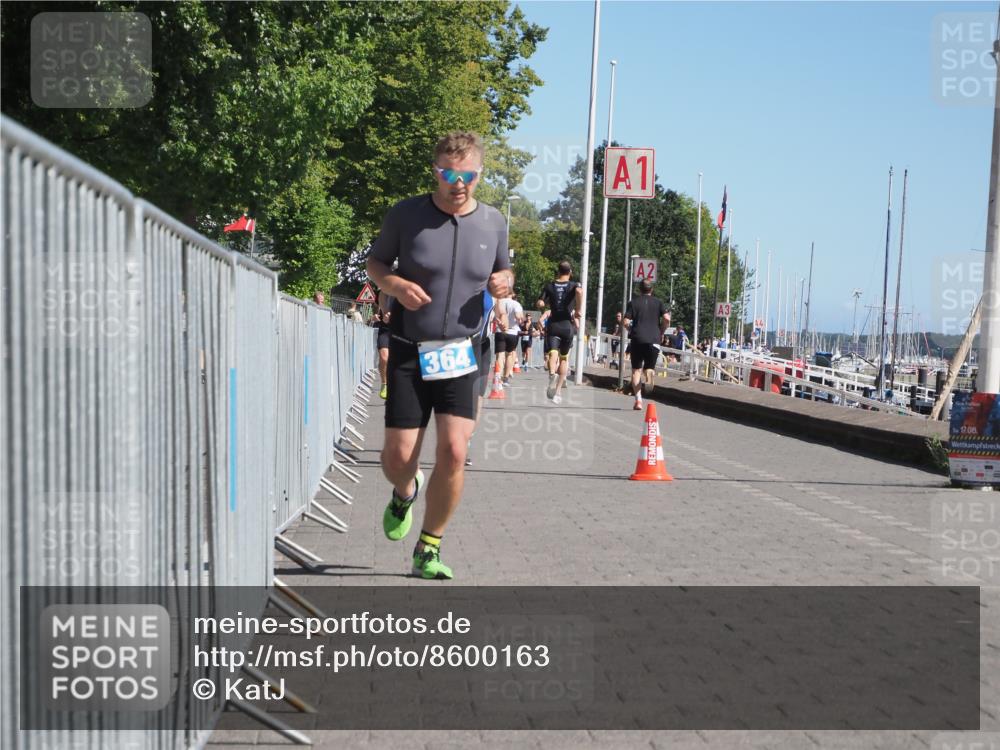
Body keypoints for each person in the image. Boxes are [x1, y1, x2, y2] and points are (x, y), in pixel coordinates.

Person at [365, 131, 512, 580]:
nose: (458, 182)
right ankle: (405, 490)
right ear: (436, 171)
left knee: (453, 449)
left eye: (467, 174)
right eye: (449, 173)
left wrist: (504, 282)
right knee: (397, 457)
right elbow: (375, 265)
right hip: (410, 350)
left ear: (479, 174)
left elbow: (503, 268)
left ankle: (428, 547)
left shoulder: (492, 222)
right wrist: (393, 285)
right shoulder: (406, 215)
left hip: (463, 354)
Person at [537, 260, 582, 405]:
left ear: (558, 271)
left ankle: (551, 374)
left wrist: (541, 304)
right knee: (564, 358)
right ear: (570, 272)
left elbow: (540, 302)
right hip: (567, 326)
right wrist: (579, 309)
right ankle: (557, 393)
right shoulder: (574, 285)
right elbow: (579, 292)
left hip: (554, 325)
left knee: (553, 353)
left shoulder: (549, 286)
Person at [623, 279, 670, 410]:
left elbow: (625, 321)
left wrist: (631, 330)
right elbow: (667, 318)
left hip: (637, 339)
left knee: (636, 370)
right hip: (654, 339)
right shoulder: (659, 302)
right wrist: (661, 331)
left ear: (640, 289)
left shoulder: (633, 303)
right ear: (652, 289)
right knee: (649, 367)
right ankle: (649, 373)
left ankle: (638, 400)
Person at [495, 294, 523, 385]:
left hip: (500, 331)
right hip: (512, 332)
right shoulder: (516, 304)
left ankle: (498, 377)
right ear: (512, 294)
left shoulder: (499, 302)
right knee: (509, 354)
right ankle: (505, 378)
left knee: (500, 355)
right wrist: (519, 320)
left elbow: (494, 316)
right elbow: (519, 317)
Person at [373, 292, 393, 399]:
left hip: (404, 327)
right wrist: (384, 312)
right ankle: (384, 384)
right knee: (384, 357)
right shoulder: (390, 278)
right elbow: (382, 294)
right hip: (385, 328)